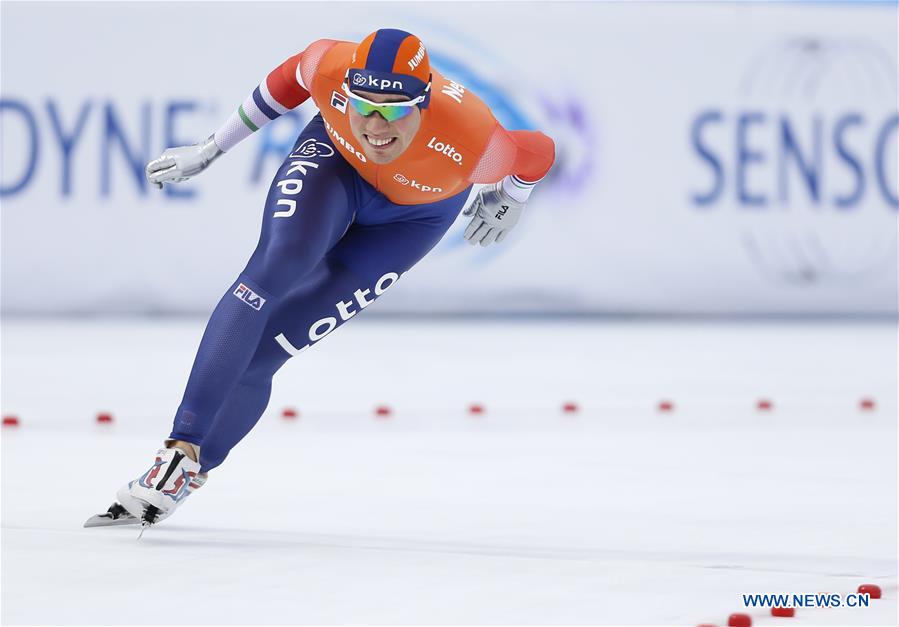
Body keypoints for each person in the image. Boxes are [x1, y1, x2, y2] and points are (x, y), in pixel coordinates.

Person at [88, 28, 554, 529]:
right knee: (270, 271)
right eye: (363, 105)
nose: (376, 125)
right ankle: (177, 452)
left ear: (424, 105)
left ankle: (188, 476)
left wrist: (513, 194)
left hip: (412, 220)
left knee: (272, 348)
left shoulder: (473, 137)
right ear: (346, 89)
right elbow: (285, 82)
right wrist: (210, 148)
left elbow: (538, 150)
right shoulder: (327, 64)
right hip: (334, 166)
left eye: (395, 111)